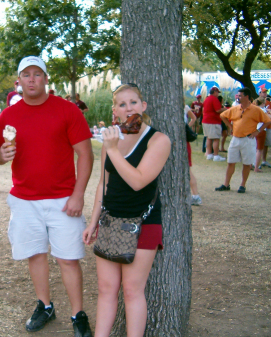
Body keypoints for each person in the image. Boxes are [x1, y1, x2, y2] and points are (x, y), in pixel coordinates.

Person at [0, 56, 94, 337]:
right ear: (19, 80)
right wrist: (1, 155)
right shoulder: (8, 115)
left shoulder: (67, 110)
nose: (32, 79)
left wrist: (78, 195)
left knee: (68, 258)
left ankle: (78, 314)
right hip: (24, 200)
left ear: (46, 79)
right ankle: (45, 305)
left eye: (38, 74)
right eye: (26, 75)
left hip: (63, 200)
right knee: (35, 255)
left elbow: (85, 154)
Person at [83, 83, 170, 337]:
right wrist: (93, 222)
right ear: (115, 111)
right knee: (106, 288)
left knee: (132, 290)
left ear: (143, 107)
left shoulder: (158, 139)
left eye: (133, 102)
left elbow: (138, 180)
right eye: (122, 104)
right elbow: (103, 184)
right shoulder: (112, 138)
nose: (128, 108)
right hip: (111, 223)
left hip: (143, 223)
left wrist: (111, 149)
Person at [215, 87, 271, 193]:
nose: (238, 97)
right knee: (230, 162)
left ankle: (242, 185)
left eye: (240, 95)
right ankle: (226, 184)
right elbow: (223, 115)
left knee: (246, 163)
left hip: (248, 139)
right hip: (235, 138)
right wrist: (230, 127)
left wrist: (258, 131)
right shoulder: (236, 108)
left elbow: (267, 121)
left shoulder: (256, 110)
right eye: (238, 95)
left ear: (247, 97)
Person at [202, 86, 227, 161]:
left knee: (209, 138)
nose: (218, 94)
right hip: (213, 121)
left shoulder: (206, 99)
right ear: (215, 92)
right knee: (216, 139)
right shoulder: (214, 99)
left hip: (206, 120)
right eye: (217, 92)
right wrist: (226, 109)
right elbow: (218, 110)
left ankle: (209, 154)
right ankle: (216, 155)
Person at [185, 104, 202, 205]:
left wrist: (186, 128)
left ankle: (196, 196)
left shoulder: (184, 107)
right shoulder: (185, 106)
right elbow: (194, 118)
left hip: (183, 142)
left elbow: (194, 118)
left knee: (187, 170)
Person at [251, 97, 268, 172]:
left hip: (253, 129)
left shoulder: (253, 109)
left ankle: (251, 164)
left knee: (253, 148)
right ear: (263, 103)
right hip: (261, 130)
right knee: (259, 149)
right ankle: (256, 167)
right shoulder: (263, 110)